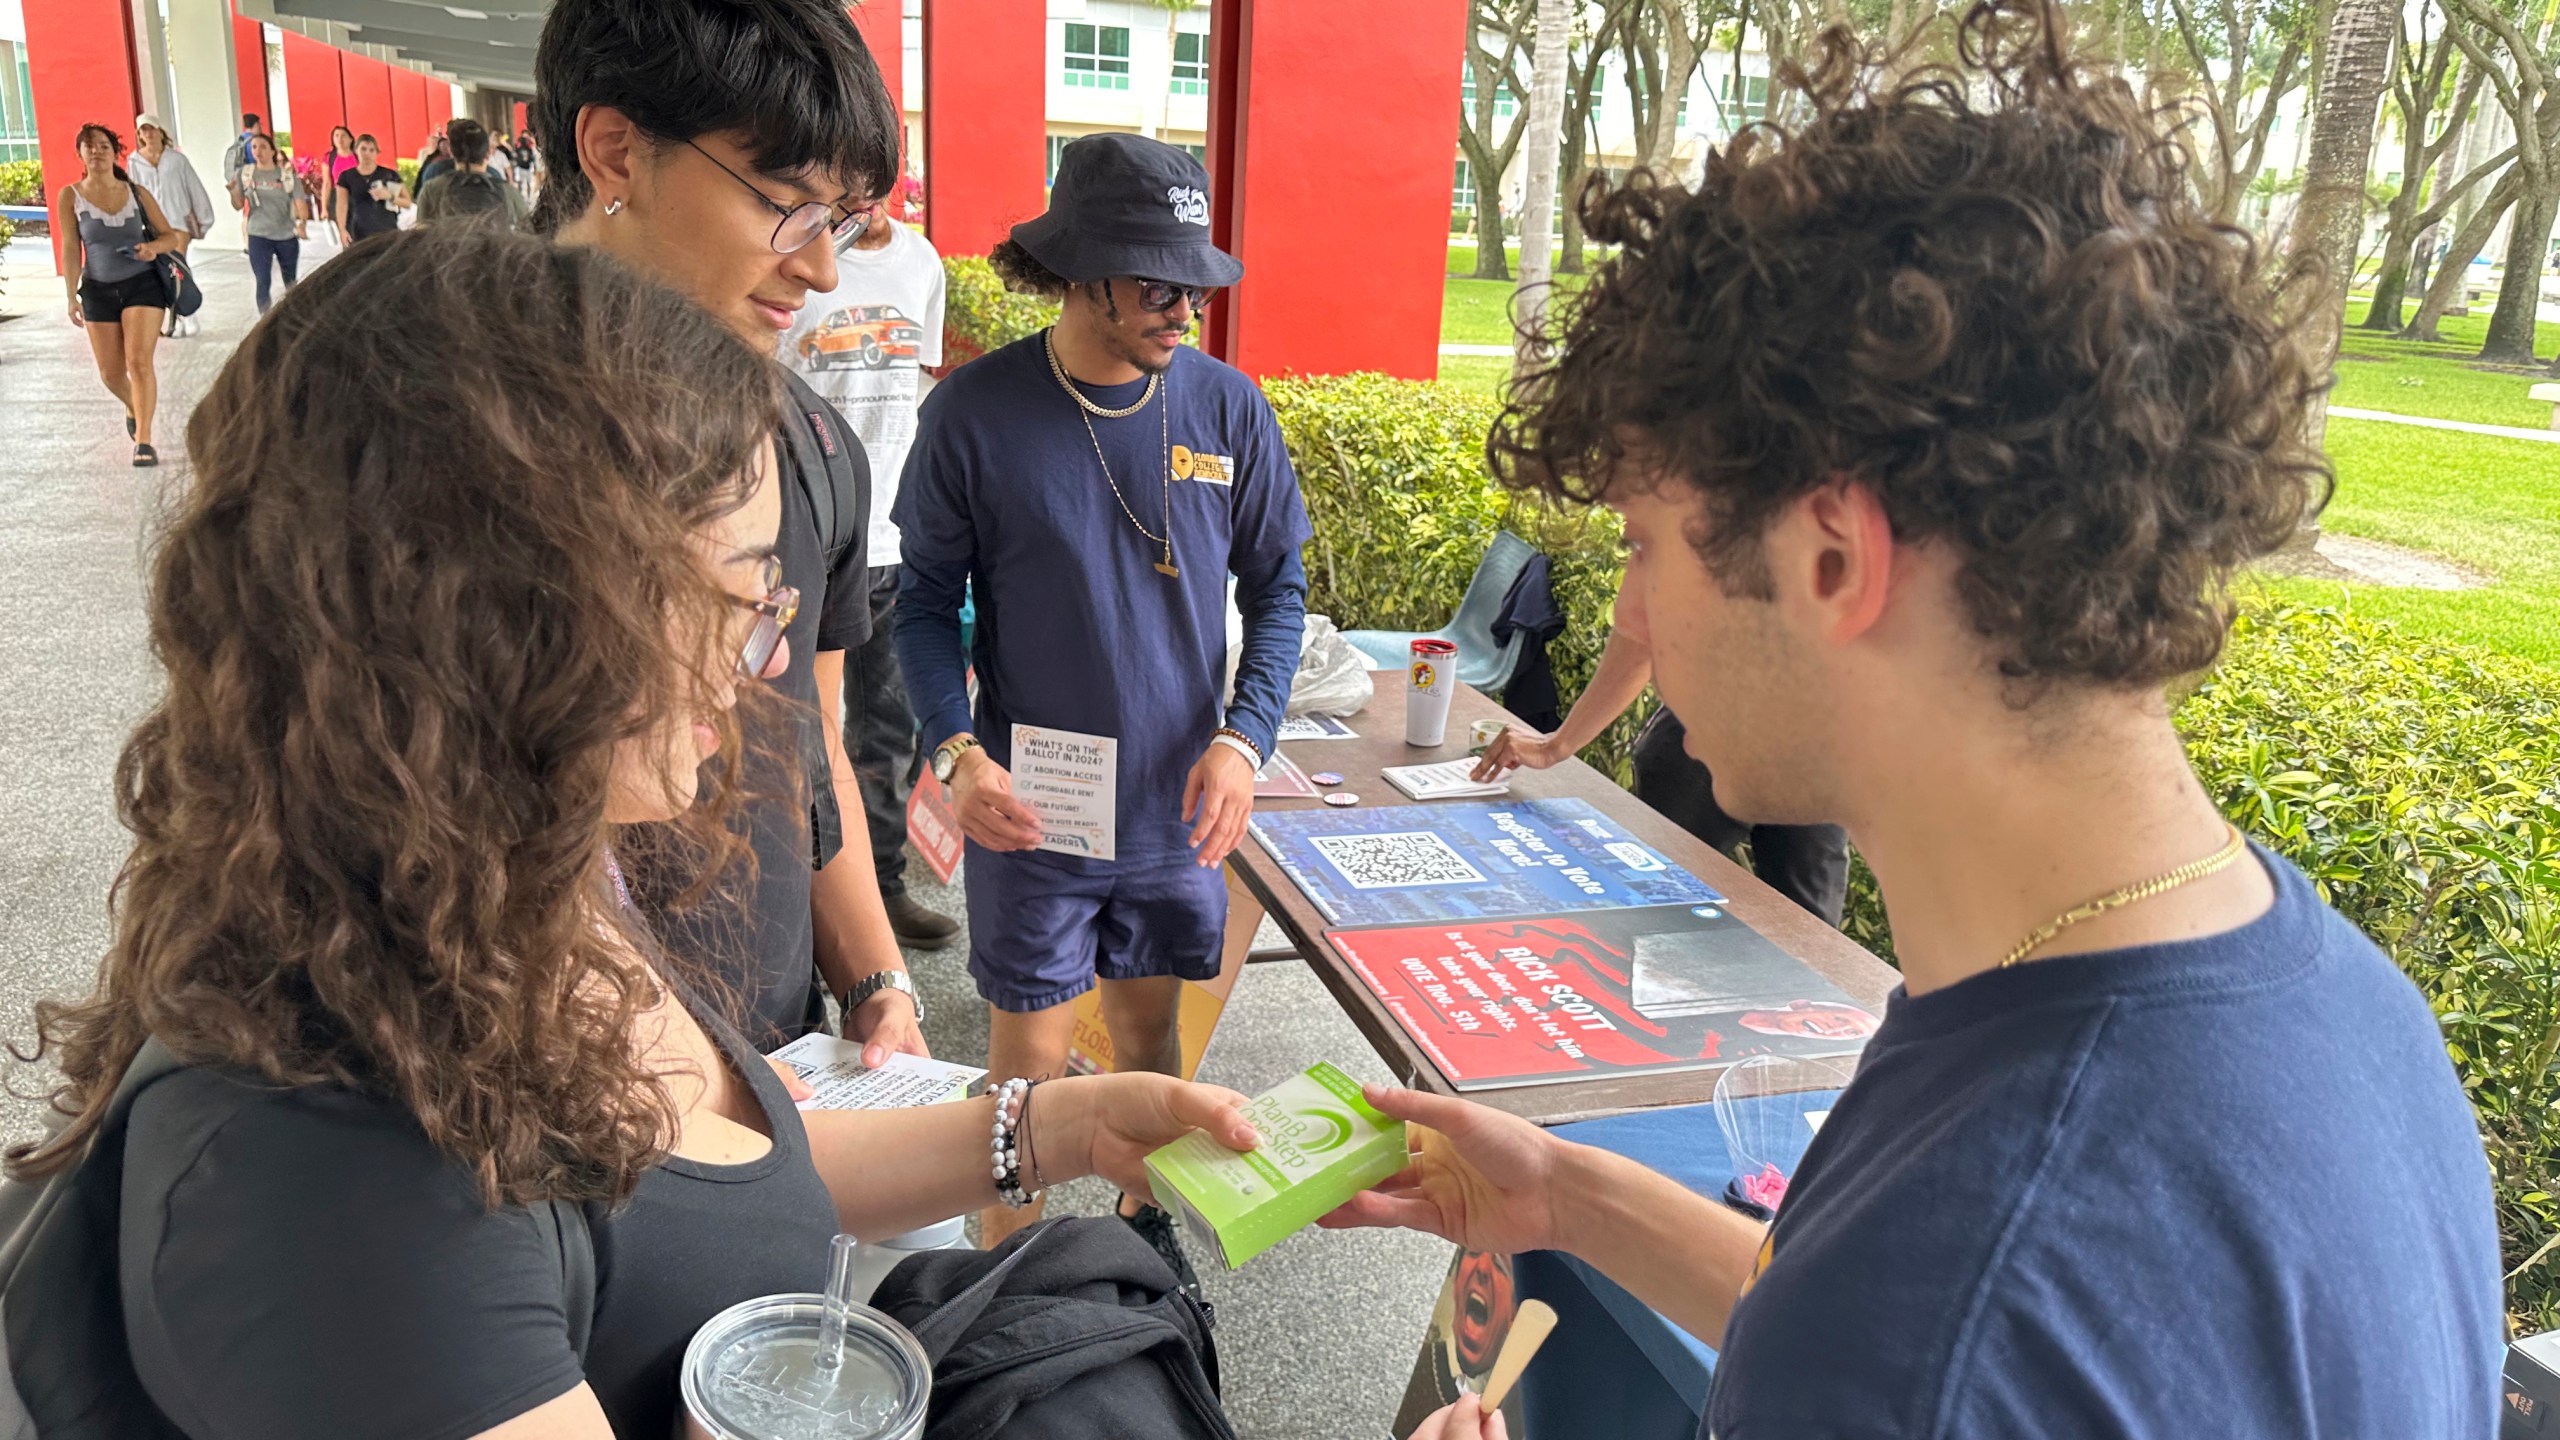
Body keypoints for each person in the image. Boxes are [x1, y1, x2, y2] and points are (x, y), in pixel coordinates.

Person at [1337, 6, 2503, 1438]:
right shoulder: (2344, 1008)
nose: (1634, 610)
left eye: (1646, 542)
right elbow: (1850, 1308)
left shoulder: (1944, 1311)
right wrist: (1565, 1195)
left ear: (1832, 558)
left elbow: (1912, 1336)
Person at [3, 224, 1260, 1440]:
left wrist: (1060, 1128)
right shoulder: (333, 1189)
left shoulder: (502, 880)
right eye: (736, 595)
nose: (762, 658)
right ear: (503, 615)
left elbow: (714, 1167)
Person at [894, 133, 1311, 1270]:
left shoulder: (1228, 410)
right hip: (1036, 814)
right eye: (1156, 281)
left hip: (1179, 807)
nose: (1184, 306)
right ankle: (998, 1285)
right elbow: (922, 607)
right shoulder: (973, 416)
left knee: (1149, 1045)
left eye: (1194, 280)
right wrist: (955, 753)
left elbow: (1280, 591)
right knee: (1021, 1087)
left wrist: (1245, 737)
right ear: (1081, 273)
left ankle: (1143, 1255)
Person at [531, 0, 928, 1064]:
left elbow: (806, 739)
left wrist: (876, 977)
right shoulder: (435, 438)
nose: (822, 268)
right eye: (787, 205)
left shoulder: (809, 447)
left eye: (839, 219)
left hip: (772, 1061)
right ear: (616, 150)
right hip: (522, 1087)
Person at [782, 194, 959, 949]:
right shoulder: (791, 262)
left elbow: (919, 384)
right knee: (797, 730)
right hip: (811, 538)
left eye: (875, 185)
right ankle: (797, 901)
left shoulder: (922, 264)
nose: (864, 206)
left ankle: (880, 890)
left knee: (888, 736)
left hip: (896, 537)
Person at [1474, 603, 1851, 926]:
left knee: (1813, 943)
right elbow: (1644, 624)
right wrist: (1555, 745)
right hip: (1709, 727)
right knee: (1656, 909)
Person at [52, 122, 182, 466]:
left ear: (115, 152)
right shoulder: (70, 195)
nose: (97, 151)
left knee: (138, 363)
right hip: (97, 290)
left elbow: (171, 236)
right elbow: (69, 247)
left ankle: (144, 441)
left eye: (104, 146)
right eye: (89, 146)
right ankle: (133, 404)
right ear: (80, 154)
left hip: (143, 285)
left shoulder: (136, 193)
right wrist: (71, 295)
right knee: (110, 373)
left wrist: (151, 248)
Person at [128, 114, 215, 338]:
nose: (148, 134)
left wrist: (203, 217)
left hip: (178, 222)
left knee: (177, 268)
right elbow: (133, 194)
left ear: (159, 131)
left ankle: (187, 313)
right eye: (143, 130)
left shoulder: (177, 160)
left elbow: (193, 187)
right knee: (162, 273)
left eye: (151, 129)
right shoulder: (134, 162)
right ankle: (177, 317)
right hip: (153, 227)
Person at [236, 132, 308, 312]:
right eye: (254, 147)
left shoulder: (287, 176)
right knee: (262, 279)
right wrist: (232, 191)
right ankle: (265, 320)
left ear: (272, 151)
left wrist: (302, 223)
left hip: (285, 234)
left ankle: (293, 314)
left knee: (290, 280)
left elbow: (300, 202)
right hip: (258, 234)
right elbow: (237, 204)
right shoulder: (246, 174)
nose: (257, 151)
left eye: (262, 147)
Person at [416, 118, 528, 230]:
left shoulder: (432, 188)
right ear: (488, 153)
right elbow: (526, 230)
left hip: (448, 247)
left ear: (452, 152)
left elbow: (422, 234)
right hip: (495, 246)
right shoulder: (506, 190)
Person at [332, 133, 406, 243]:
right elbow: (341, 205)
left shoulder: (389, 174)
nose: (367, 153)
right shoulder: (347, 176)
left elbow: (407, 202)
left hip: (386, 230)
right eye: (363, 149)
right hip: (357, 230)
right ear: (356, 150)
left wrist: (390, 196)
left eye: (371, 150)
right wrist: (342, 230)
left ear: (376, 152)